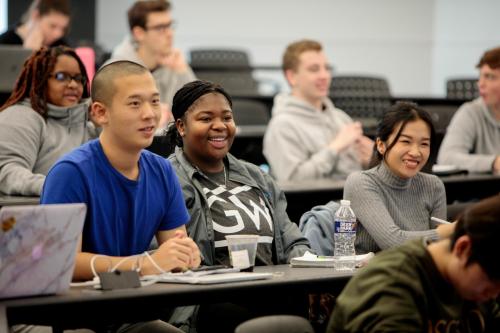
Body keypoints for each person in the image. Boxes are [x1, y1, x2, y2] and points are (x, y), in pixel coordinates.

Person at [39, 60, 200, 332]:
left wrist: (184, 256)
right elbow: (62, 263)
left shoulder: (162, 170)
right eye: (135, 104)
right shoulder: (70, 173)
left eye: (154, 102)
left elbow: (175, 248)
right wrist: (144, 264)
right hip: (77, 319)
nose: (149, 114)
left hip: (131, 314)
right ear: (101, 113)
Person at [165, 80, 311, 332]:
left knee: (303, 304)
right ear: (181, 126)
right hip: (210, 299)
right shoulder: (167, 177)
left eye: (227, 117)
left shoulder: (258, 177)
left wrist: (309, 280)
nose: (220, 126)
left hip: (269, 287)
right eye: (206, 118)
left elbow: (293, 242)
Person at [327, 194, 500, 332]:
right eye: (493, 280)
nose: (493, 294)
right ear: (463, 249)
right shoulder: (393, 283)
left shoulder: (478, 287)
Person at [344, 101, 454, 254]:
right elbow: (392, 242)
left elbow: (440, 250)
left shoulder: (433, 185)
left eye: (424, 144)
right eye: (405, 142)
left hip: (419, 272)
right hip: (374, 275)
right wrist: (451, 231)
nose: (416, 152)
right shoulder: (361, 182)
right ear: (381, 145)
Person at [263, 39, 373, 181]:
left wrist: (371, 160)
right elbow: (292, 181)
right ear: (292, 77)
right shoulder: (282, 126)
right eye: (314, 69)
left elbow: (358, 174)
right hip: (316, 203)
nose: (324, 76)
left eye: (326, 68)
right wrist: (336, 147)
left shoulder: (340, 117)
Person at [0, 45, 97, 196]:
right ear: (40, 79)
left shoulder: (89, 124)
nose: (73, 84)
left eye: (78, 78)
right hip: (32, 214)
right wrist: (58, 187)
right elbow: (7, 170)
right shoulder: (20, 117)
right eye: (61, 76)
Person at [110, 0, 195, 127]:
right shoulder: (116, 71)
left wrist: (183, 72)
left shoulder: (175, 63)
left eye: (170, 26)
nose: (170, 34)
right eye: (161, 28)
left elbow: (199, 109)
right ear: (139, 33)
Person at [437, 46, 500, 174]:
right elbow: (446, 158)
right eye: (481, 76)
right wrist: (493, 162)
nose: (480, 84)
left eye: (490, 77)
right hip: (486, 192)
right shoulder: (470, 112)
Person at [0, 0, 70, 50]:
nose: (58, 34)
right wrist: (28, 52)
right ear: (36, 16)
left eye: (63, 28)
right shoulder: (5, 42)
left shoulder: (61, 45)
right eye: (52, 26)